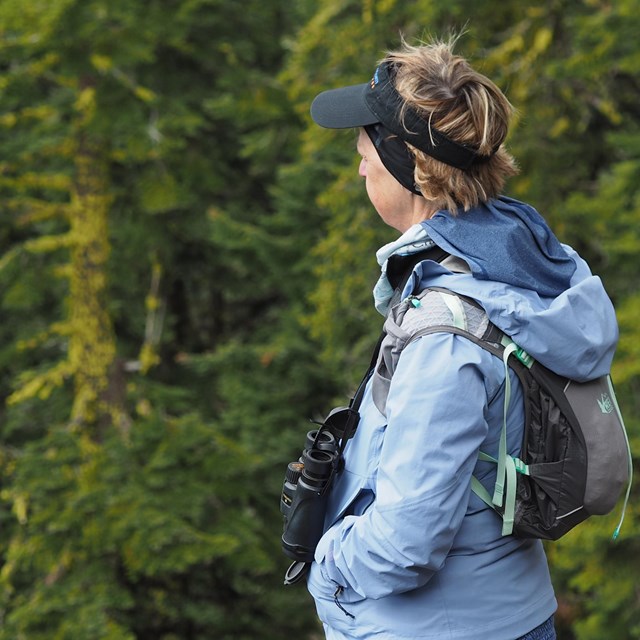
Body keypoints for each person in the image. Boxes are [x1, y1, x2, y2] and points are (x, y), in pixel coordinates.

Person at [304, 38, 618, 640]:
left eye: (366, 148)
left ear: (410, 167)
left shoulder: (447, 334)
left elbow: (406, 544)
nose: (359, 164)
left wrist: (327, 558)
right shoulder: (526, 266)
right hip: (508, 608)